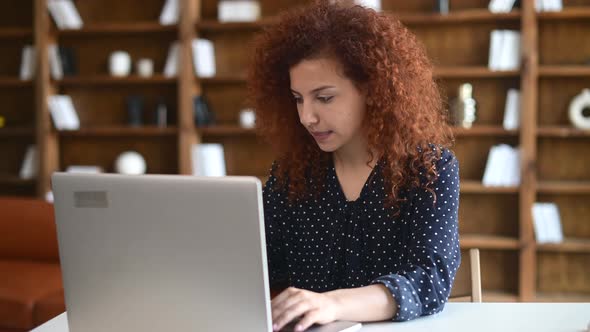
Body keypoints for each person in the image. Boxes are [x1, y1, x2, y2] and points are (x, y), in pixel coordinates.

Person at [248, 1, 461, 331]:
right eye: (298, 98)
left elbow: (428, 279)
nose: (307, 117)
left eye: (325, 97)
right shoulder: (291, 174)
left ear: (373, 90)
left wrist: (332, 303)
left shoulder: (429, 169)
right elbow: (262, 269)